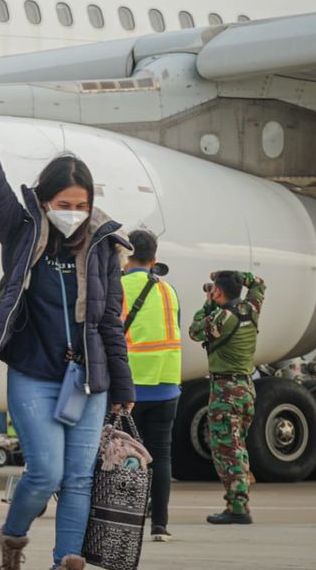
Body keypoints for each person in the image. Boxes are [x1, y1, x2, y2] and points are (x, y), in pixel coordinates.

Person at [0, 66, 134, 570]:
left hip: (89, 379)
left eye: (82, 205)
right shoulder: (22, 232)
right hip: (36, 375)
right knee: (46, 473)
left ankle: (67, 560)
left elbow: (109, 322)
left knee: (80, 478)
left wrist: (122, 387)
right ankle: (11, 539)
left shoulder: (103, 246)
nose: (74, 212)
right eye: (65, 204)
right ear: (45, 201)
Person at [188, 270, 265, 525]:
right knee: (238, 447)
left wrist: (208, 301)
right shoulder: (251, 308)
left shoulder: (222, 317)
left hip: (225, 392)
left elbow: (195, 330)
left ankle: (238, 508)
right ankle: (239, 502)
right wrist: (235, 277)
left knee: (227, 451)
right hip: (246, 388)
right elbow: (259, 284)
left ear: (218, 291)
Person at [121, 230, 181, 542]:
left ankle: (128, 519)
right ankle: (160, 524)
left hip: (132, 386)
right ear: (154, 259)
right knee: (161, 455)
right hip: (168, 384)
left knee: (126, 455)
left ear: (125, 254)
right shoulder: (169, 290)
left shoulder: (118, 287)